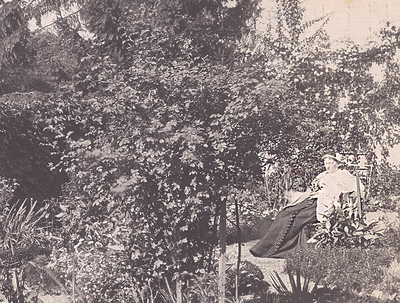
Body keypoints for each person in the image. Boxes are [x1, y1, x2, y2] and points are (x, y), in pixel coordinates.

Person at [250, 152, 364, 258]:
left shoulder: (343, 174)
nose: (327, 166)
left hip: (326, 205)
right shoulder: (322, 175)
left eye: (330, 163)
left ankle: (278, 249)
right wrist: (296, 196)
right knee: (284, 213)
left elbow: (359, 188)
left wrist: (340, 195)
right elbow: (311, 191)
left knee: (296, 218)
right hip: (312, 200)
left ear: (337, 163)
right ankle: (263, 248)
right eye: (326, 163)